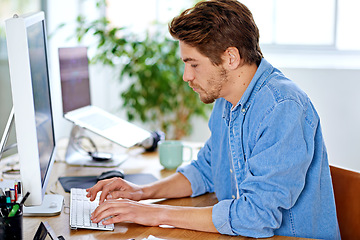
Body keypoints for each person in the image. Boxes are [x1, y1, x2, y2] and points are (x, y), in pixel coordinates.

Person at [86, 0, 340, 239]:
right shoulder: (226, 98)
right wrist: (142, 193)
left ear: (230, 58)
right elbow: (206, 169)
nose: (186, 76)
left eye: (193, 64)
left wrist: (154, 214)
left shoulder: (282, 107)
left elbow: (257, 216)